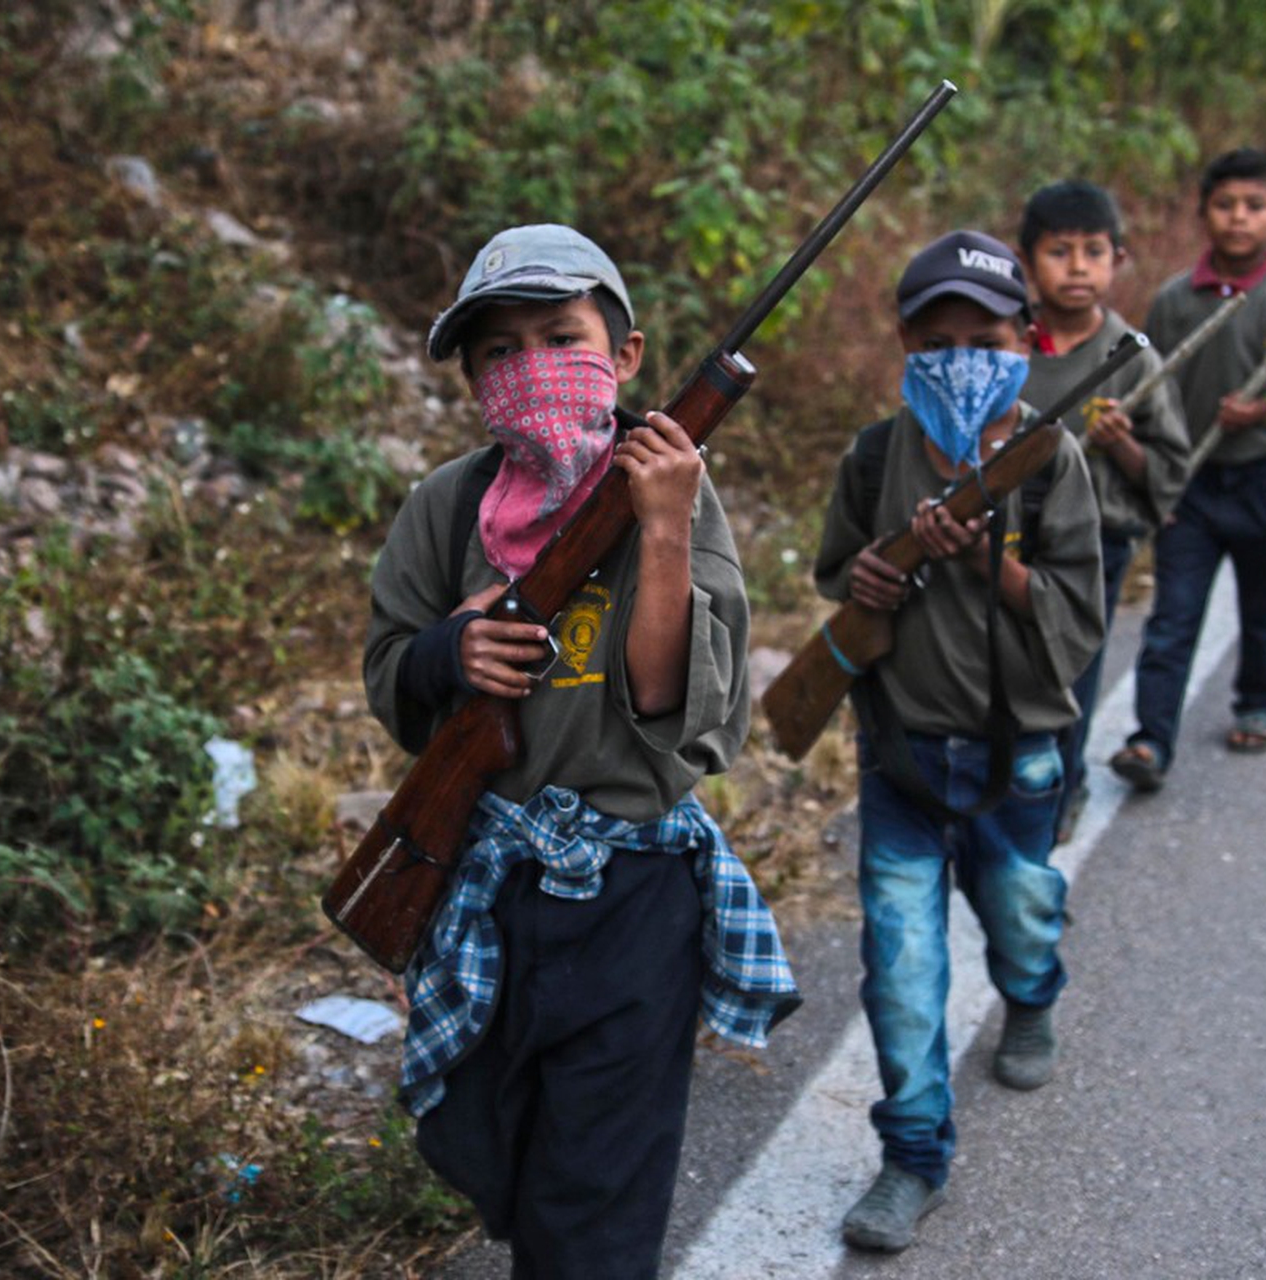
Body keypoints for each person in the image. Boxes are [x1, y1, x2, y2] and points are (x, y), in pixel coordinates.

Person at [364, 224, 800, 1279]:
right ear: (472, 380)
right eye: (499, 352)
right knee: (483, 1142)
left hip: (631, 900)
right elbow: (389, 667)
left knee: (595, 1208)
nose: (532, 368)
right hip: (481, 879)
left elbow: (674, 702)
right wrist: (449, 651)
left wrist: (660, 527)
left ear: (628, 355)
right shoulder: (450, 505)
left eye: (561, 336)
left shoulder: (675, 489)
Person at [813, 230, 1104, 1253]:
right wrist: (872, 580)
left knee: (1021, 912)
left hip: (1016, 753)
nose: (959, 356)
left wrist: (990, 561)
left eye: (982, 336)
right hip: (900, 754)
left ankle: (1032, 997)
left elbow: (1080, 612)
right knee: (900, 964)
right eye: (936, 340)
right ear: (904, 343)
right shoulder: (874, 453)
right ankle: (914, 1154)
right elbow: (836, 570)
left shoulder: (1050, 455)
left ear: (1025, 337)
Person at [1106, 149, 1266, 793]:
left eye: (1255, 207)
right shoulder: (1177, 300)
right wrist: (1154, 477)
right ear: (1204, 214)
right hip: (1193, 484)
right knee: (1174, 614)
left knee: (1264, 605)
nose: (1239, 219)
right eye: (1226, 205)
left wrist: (1265, 407)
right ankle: (1150, 738)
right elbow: (1153, 394)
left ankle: (1259, 701)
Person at [1018, 180, 1190, 841]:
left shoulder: (1132, 358)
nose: (1079, 267)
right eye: (1061, 252)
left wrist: (1125, 448)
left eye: (1094, 252)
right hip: (1010, 539)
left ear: (1119, 260)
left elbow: (1168, 468)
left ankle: (1062, 791)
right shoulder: (1009, 346)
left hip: (1096, 543)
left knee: (1073, 672)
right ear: (1027, 260)